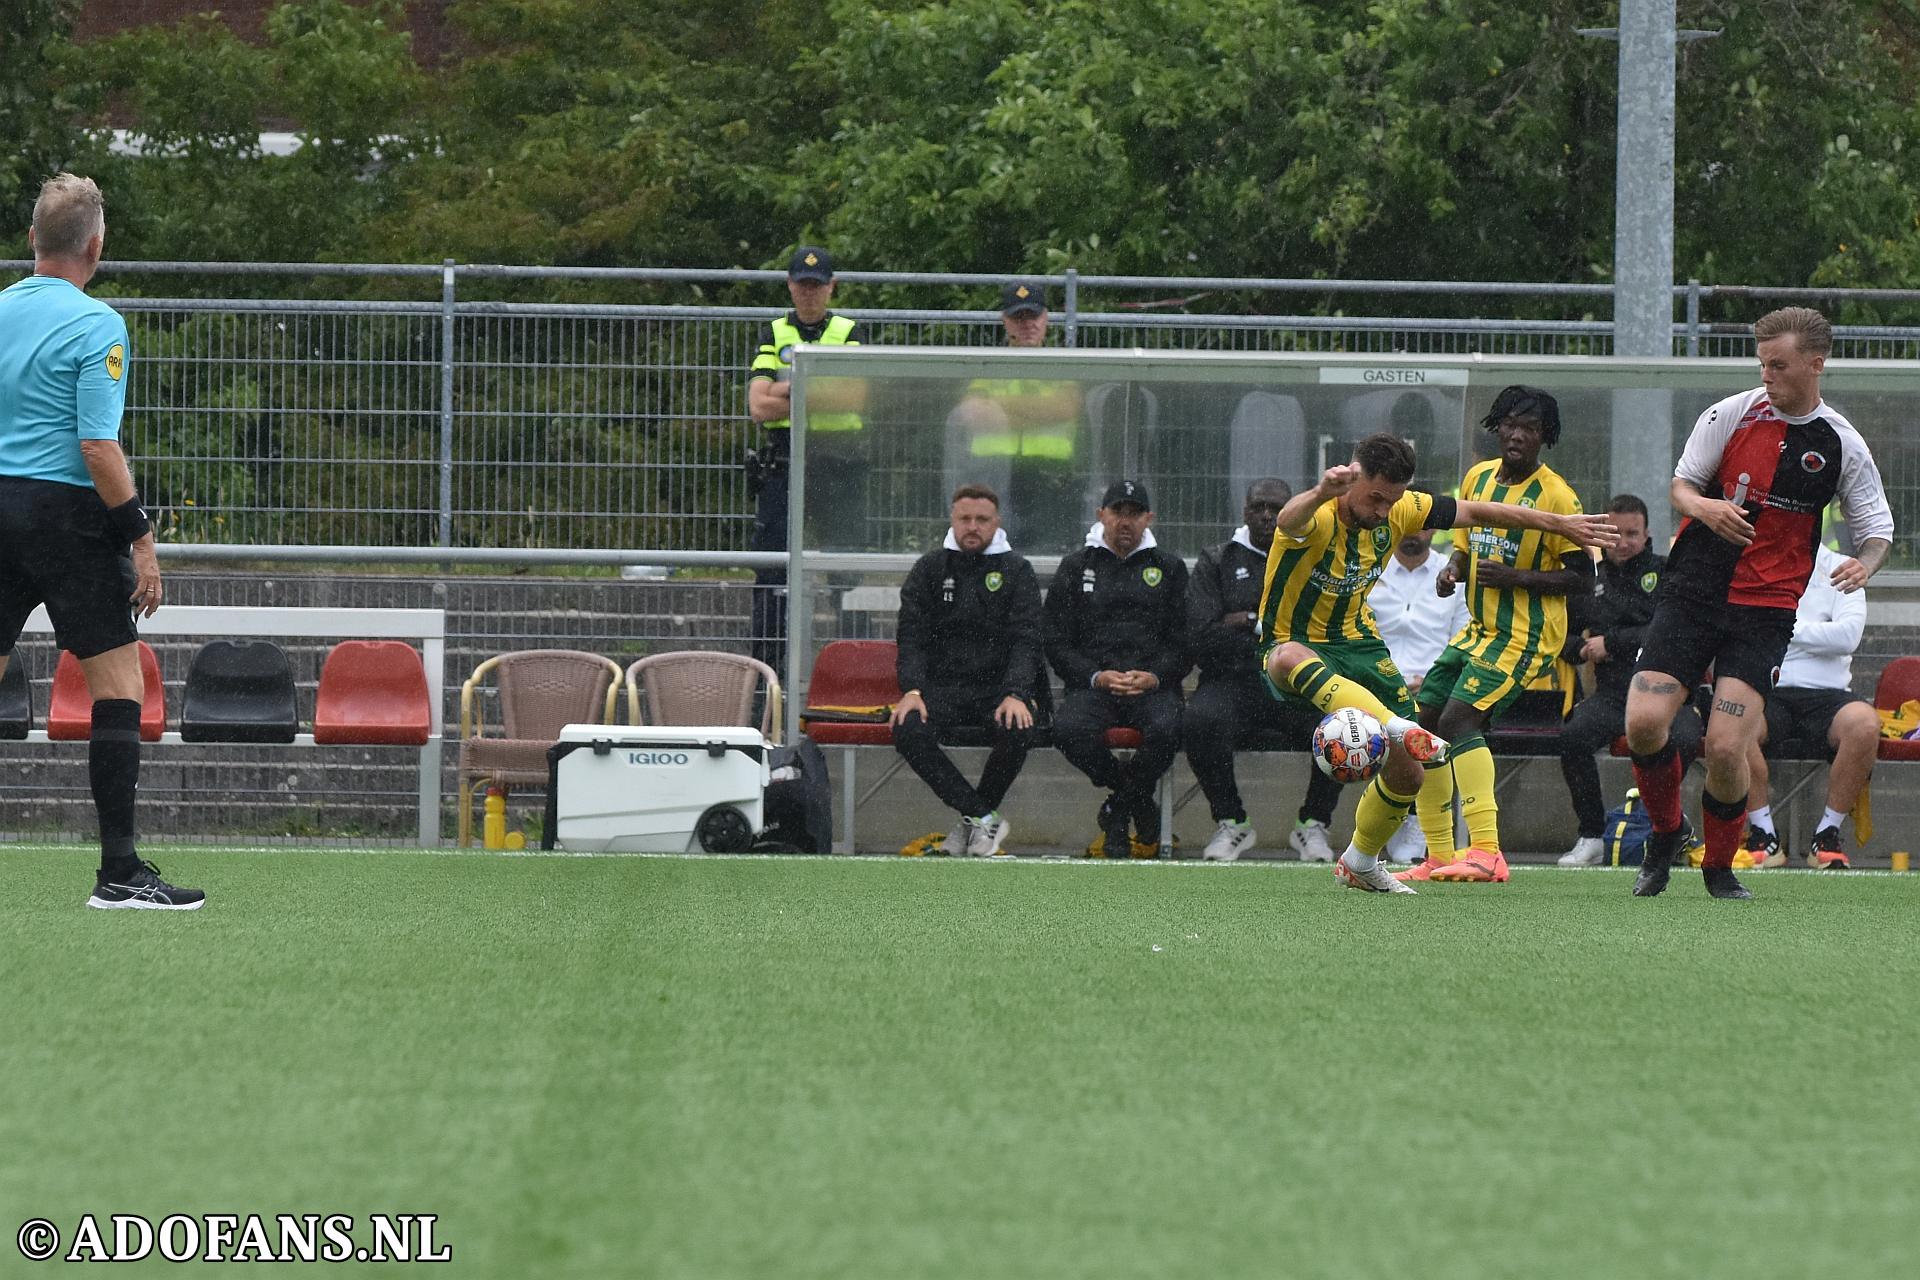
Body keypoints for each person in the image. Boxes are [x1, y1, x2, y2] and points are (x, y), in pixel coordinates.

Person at [1258, 433, 1618, 895]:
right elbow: (1289, 520)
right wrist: (1319, 492)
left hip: (1359, 641)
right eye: (1375, 498)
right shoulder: (1320, 513)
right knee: (1289, 658)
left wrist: (1559, 524)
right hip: (1292, 640)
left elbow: (1481, 511)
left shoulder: (1402, 508)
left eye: (1393, 501)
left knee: (1408, 771)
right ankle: (1395, 728)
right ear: (1352, 478)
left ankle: (1360, 860)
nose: (1385, 511)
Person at [1623, 307, 1894, 900]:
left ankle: (1720, 868)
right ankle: (1667, 833)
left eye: (1779, 364)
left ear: (1815, 365)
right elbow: (1682, 485)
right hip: (1693, 591)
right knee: (1643, 724)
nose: (1766, 375)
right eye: (1761, 363)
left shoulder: (1842, 442)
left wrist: (1864, 564)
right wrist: (1704, 508)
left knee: (1725, 744)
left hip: (1764, 608)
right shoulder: (1731, 413)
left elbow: (1878, 532)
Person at [0, 174, 198, 910]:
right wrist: (142, 540)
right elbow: (97, 446)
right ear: (96, 245)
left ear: (32, 240)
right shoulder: (97, 324)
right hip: (67, 519)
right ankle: (118, 874)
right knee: (119, 686)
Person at [1398, 386, 1593, 885]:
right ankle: (1440, 852)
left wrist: (1518, 578)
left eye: (1529, 428)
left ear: (1544, 437)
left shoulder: (1557, 496)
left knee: (1462, 719)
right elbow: (1464, 545)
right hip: (1477, 630)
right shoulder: (1477, 478)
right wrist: (1452, 572)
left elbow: (1582, 579)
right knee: (1424, 723)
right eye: (1510, 424)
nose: (1517, 434)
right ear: (1497, 427)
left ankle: (1486, 851)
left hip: (1526, 636)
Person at [1183, 478, 1344, 862]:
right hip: (1233, 679)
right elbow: (1201, 639)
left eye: (1276, 508)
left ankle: (1313, 824)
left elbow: (1321, 631)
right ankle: (1232, 820)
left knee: (1342, 727)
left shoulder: (1313, 557)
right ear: (1245, 511)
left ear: (1292, 511)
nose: (1268, 516)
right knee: (1199, 719)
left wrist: (1243, 621)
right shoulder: (1217, 560)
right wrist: (1268, 637)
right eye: (1259, 507)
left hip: (1296, 684)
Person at [891, 484, 1043, 857]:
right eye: (965, 519)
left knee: (1018, 724)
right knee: (906, 726)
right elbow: (911, 637)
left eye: (982, 519)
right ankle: (980, 814)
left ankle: (971, 824)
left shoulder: (1017, 570)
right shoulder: (929, 568)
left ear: (997, 523)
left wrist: (1017, 693)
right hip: (942, 691)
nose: (972, 526)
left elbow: (1028, 639)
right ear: (953, 520)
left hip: (997, 690)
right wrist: (912, 691)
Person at [1555, 495, 1705, 866]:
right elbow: (1562, 637)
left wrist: (1614, 643)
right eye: (1615, 533)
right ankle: (1592, 835)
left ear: (1647, 533)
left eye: (1632, 533)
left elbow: (1673, 630)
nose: (1623, 542)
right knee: (1572, 737)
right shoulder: (1590, 581)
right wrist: (1583, 650)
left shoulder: (1667, 572)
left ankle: (1660, 828)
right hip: (1613, 695)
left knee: (1685, 738)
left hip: (1669, 697)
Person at [1045, 480, 1190, 856]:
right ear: (1101, 516)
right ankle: (1136, 802)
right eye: (1117, 512)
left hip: (1152, 688)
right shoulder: (1076, 567)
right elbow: (1056, 641)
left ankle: (1116, 810)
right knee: (1066, 729)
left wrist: (1155, 676)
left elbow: (1184, 641)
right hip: (1095, 687)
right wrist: (1096, 676)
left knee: (1170, 727)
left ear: (1148, 519)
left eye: (1134, 513)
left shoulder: (1170, 568)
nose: (1125, 522)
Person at [745, 246, 867, 669]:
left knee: (847, 573)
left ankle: (854, 669)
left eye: (817, 285)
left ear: (831, 287)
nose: (809, 293)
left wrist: (787, 388)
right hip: (784, 461)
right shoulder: (775, 331)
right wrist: (820, 392)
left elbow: (853, 395)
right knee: (773, 569)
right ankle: (767, 674)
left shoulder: (849, 330)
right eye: (802, 284)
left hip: (840, 461)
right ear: (790, 286)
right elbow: (758, 406)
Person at [1737, 542, 1876, 871]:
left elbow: (1848, 636)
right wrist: (1819, 632)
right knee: (1733, 723)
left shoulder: (1844, 567)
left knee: (1865, 725)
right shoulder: (1756, 565)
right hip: (1769, 688)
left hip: (1829, 695)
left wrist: (1782, 627)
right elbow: (1743, 626)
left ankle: (1826, 835)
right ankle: (1763, 835)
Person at [1364, 505, 1470, 864]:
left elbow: (1463, 640)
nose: (1414, 532)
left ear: (1435, 529)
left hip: (1434, 684)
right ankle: (1380, 820)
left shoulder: (1451, 576)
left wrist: (1432, 680)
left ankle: (1412, 817)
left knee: (1428, 715)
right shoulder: (1369, 568)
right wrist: (1388, 678)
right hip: (1378, 681)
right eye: (1407, 523)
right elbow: (1358, 633)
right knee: (1359, 721)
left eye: (1423, 525)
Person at [944, 280, 1083, 550]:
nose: (1027, 324)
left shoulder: (1064, 367)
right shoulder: (988, 367)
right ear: (1005, 322)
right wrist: (1039, 411)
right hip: (994, 479)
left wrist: (999, 407)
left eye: (1033, 316)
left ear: (1046, 319)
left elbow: (1064, 409)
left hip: (1051, 482)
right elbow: (975, 415)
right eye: (1018, 317)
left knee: (1050, 563)